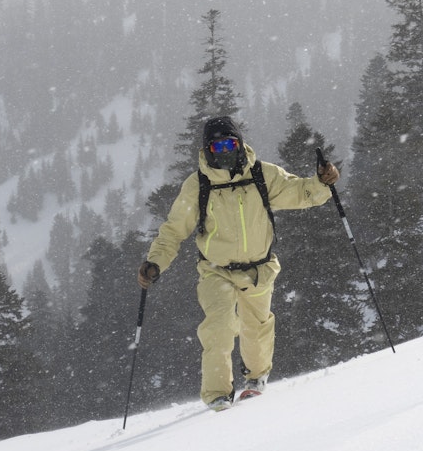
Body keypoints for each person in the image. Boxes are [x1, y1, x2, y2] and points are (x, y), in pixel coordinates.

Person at [137, 116, 339, 411]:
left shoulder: (262, 174)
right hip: (215, 271)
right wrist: (155, 262)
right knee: (218, 327)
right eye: (216, 147)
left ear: (240, 144)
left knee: (256, 327)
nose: (224, 152)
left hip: (259, 269)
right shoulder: (198, 185)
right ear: (207, 150)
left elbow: (300, 192)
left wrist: (322, 182)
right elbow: (174, 230)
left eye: (230, 144)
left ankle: (256, 378)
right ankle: (218, 395)